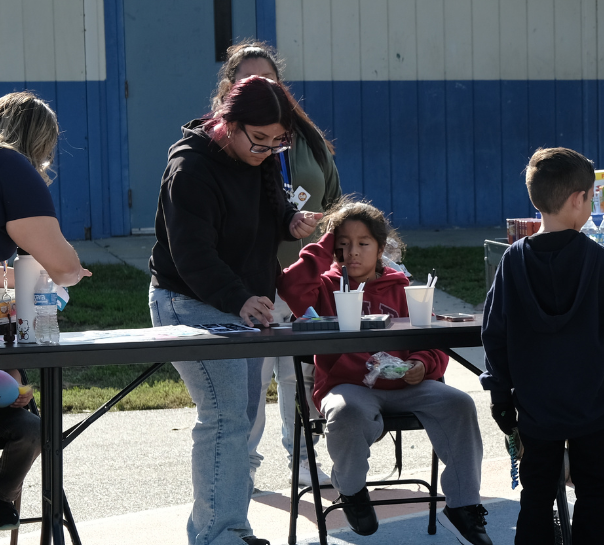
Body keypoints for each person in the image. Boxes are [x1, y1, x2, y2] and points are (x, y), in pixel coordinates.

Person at [148, 75, 322, 545]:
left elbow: (267, 204)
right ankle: (217, 534)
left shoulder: (260, 158)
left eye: (277, 142)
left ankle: (232, 528)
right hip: (188, 300)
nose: (265, 151)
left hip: (239, 304)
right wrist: (239, 297)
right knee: (225, 415)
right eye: (258, 139)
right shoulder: (190, 169)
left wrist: (289, 220)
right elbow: (193, 254)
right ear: (227, 122)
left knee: (240, 418)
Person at [277, 200, 491, 544]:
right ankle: (352, 490)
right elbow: (289, 288)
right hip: (348, 385)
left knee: (459, 404)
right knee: (346, 412)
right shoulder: (325, 286)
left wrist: (423, 365)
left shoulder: (402, 285)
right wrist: (323, 246)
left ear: (381, 247)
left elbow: (432, 342)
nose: (353, 253)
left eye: (363, 243)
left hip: (406, 384)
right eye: (343, 245)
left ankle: (463, 506)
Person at [481, 147, 604, 545]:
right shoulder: (599, 261)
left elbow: (494, 333)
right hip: (593, 404)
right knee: (595, 490)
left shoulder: (512, 262)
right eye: (591, 197)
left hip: (535, 408)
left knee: (536, 494)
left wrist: (501, 394)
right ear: (578, 199)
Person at [211, 39, 340, 491]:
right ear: (230, 88)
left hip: (305, 279)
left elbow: (333, 200)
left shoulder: (306, 140)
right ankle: (240, 469)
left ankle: (304, 461)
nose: (264, 87)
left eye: (270, 79)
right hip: (253, 283)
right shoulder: (224, 146)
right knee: (250, 382)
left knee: (300, 376)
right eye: (250, 80)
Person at [0, 91, 92, 531]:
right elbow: (65, 267)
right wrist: (63, 271)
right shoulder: (9, 166)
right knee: (29, 420)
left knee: (25, 420)